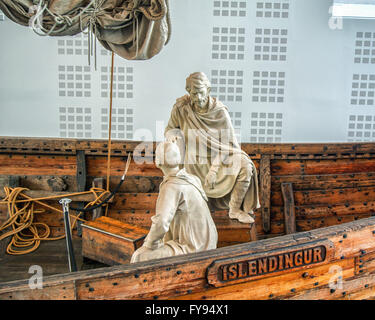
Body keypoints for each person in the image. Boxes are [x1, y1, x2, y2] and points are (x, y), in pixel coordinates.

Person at [165, 72, 260, 224]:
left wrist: (214, 170)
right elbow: (170, 129)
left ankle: (234, 210)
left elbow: (228, 146)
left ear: (208, 90)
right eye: (193, 94)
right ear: (189, 92)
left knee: (245, 166)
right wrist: (172, 136)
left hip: (220, 158)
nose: (198, 98)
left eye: (201, 92)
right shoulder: (182, 108)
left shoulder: (220, 112)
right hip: (194, 161)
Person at [131, 141, 218, 263]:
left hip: (193, 248)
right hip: (209, 242)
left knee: (139, 256)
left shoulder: (171, 186)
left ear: (158, 162)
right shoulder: (193, 179)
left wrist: (149, 245)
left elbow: (161, 222)